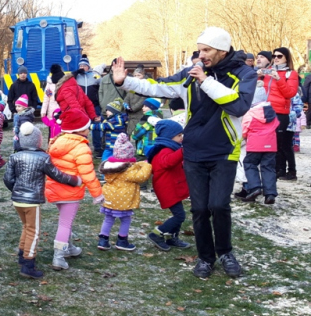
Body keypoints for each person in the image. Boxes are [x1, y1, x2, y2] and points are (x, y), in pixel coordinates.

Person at [110, 26, 257, 280]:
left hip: (224, 151)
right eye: (199, 50)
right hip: (193, 151)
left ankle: (226, 253)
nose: (201, 55)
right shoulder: (191, 74)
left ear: (222, 50)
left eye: (206, 50)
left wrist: (206, 81)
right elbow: (160, 86)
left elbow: (238, 106)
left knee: (219, 205)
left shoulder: (243, 74)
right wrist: (125, 81)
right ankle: (205, 258)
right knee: (199, 209)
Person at [4, 121, 81, 279]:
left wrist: (16, 190)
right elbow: (57, 175)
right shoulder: (43, 158)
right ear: (38, 140)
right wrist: (75, 180)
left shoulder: (14, 156)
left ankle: (21, 253)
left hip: (17, 200)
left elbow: (7, 179)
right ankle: (28, 263)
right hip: (32, 201)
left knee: (26, 227)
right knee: (34, 231)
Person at [45, 108, 104, 270]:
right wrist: (97, 194)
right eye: (87, 127)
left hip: (55, 189)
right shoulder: (81, 148)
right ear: (80, 129)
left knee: (66, 221)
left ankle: (69, 248)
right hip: (71, 191)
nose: (89, 130)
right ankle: (58, 257)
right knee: (65, 223)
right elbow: (88, 174)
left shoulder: (56, 142)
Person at [96, 134, 152, 251]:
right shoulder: (128, 170)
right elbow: (142, 176)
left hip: (109, 198)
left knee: (108, 218)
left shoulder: (110, 167)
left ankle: (103, 240)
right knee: (125, 219)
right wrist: (146, 164)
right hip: (123, 200)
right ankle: (122, 241)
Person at [146, 120, 192, 250]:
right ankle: (157, 233)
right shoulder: (164, 150)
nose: (181, 138)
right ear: (169, 136)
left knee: (179, 214)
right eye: (179, 136)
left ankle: (172, 238)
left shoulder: (170, 148)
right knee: (180, 216)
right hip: (167, 189)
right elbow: (169, 162)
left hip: (172, 187)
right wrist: (183, 151)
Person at [262, 47, 299, 180]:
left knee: (284, 142)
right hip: (267, 109)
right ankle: (279, 169)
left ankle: (291, 171)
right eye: (274, 56)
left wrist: (279, 79)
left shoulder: (291, 74)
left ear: (286, 58)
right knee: (273, 142)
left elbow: (290, 93)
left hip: (281, 112)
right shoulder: (268, 72)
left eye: (279, 56)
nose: (276, 58)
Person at [240, 101, 279, 204]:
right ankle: (270, 194)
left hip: (254, 145)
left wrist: (245, 137)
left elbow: (244, 130)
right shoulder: (272, 114)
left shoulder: (250, 113)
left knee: (250, 164)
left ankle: (255, 187)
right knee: (268, 167)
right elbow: (277, 126)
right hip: (271, 145)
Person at [75, 55, 103, 156]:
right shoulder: (76, 76)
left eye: (84, 65)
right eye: (80, 65)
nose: (82, 67)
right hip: (81, 107)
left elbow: (102, 86)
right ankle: (84, 147)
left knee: (96, 127)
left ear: (88, 66)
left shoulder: (95, 75)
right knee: (82, 127)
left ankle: (98, 148)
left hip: (94, 106)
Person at [91, 98, 128, 162]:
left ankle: (104, 170)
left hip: (112, 146)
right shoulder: (117, 119)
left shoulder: (115, 121)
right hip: (115, 145)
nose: (106, 112)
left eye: (108, 110)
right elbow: (109, 124)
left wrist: (90, 126)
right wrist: (102, 119)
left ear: (113, 111)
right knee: (115, 160)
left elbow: (104, 126)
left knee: (105, 160)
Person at [124, 65, 147, 136]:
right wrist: (126, 105)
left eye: (139, 75)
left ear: (143, 76)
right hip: (131, 116)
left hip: (140, 114)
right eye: (135, 75)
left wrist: (132, 108)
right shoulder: (132, 87)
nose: (136, 77)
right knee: (130, 134)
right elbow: (127, 97)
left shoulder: (146, 86)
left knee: (138, 134)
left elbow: (143, 100)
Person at [40, 65, 61, 141]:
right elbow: (46, 98)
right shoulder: (49, 84)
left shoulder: (64, 81)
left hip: (62, 112)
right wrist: (43, 111)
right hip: (51, 112)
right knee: (51, 132)